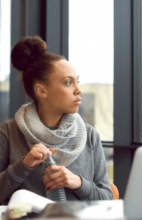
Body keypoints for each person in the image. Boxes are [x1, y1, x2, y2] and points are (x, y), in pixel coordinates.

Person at [0, 35, 113, 204]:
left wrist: (78, 183)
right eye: (68, 83)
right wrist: (24, 165)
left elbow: (107, 198)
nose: (78, 90)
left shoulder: (90, 135)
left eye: (77, 82)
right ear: (41, 91)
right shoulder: (9, 132)